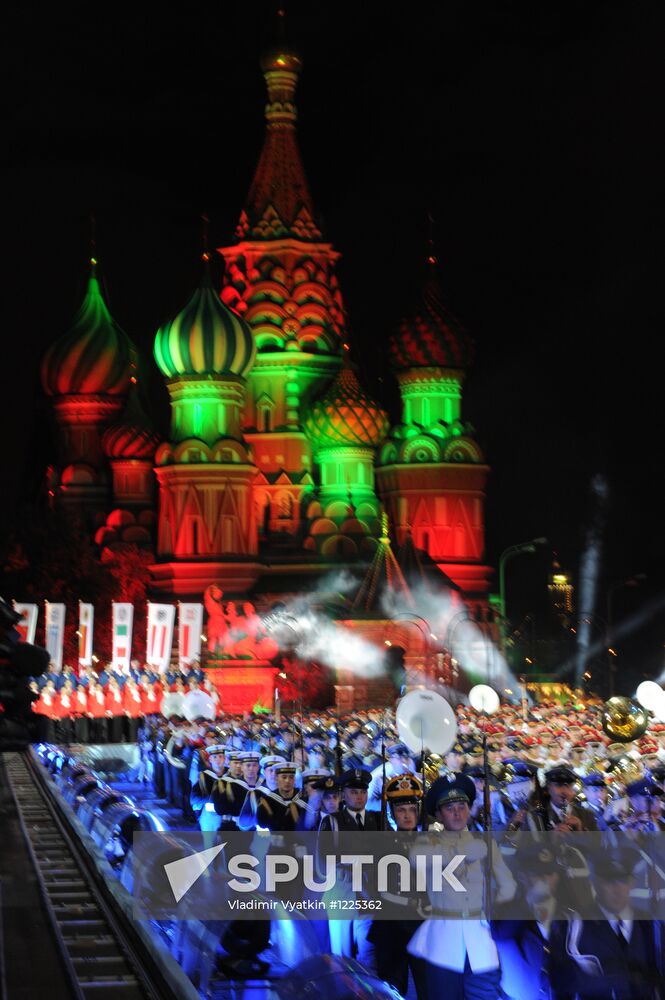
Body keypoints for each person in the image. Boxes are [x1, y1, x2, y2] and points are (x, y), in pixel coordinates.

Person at [407, 773, 516, 999]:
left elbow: (509, 886)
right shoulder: (427, 843)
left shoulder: (485, 842)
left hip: (480, 935)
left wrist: (492, 909)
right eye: (449, 808)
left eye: (462, 806)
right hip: (444, 937)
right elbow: (416, 860)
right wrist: (460, 853)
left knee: (483, 994)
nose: (457, 813)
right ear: (438, 813)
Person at [548, 849, 663, 999]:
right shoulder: (574, 926)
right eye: (609, 881)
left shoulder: (651, 925)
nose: (617, 889)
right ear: (594, 883)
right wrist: (614, 978)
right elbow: (560, 982)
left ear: (632, 882)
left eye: (623, 880)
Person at [368, 774, 428, 999]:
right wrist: (411, 902)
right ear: (393, 813)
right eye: (402, 810)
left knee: (427, 988)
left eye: (412, 809)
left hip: (422, 925)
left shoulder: (430, 843)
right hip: (391, 927)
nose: (408, 815)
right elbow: (380, 889)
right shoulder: (383, 844)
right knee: (391, 990)